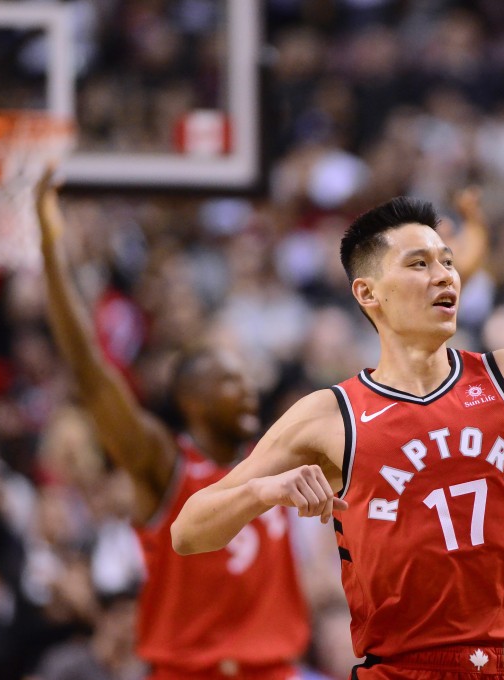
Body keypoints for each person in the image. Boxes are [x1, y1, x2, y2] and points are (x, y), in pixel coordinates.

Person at [171, 188, 504, 679]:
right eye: (418, 264)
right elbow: (187, 531)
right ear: (368, 293)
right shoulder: (332, 415)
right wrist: (264, 490)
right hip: (403, 669)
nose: (444, 275)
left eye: (447, 261)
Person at [34, 172, 311, 680]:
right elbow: (91, 374)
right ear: (192, 401)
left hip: (275, 671)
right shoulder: (162, 463)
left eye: (246, 378)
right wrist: (53, 254)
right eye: (229, 381)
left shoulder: (279, 455)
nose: (247, 388)